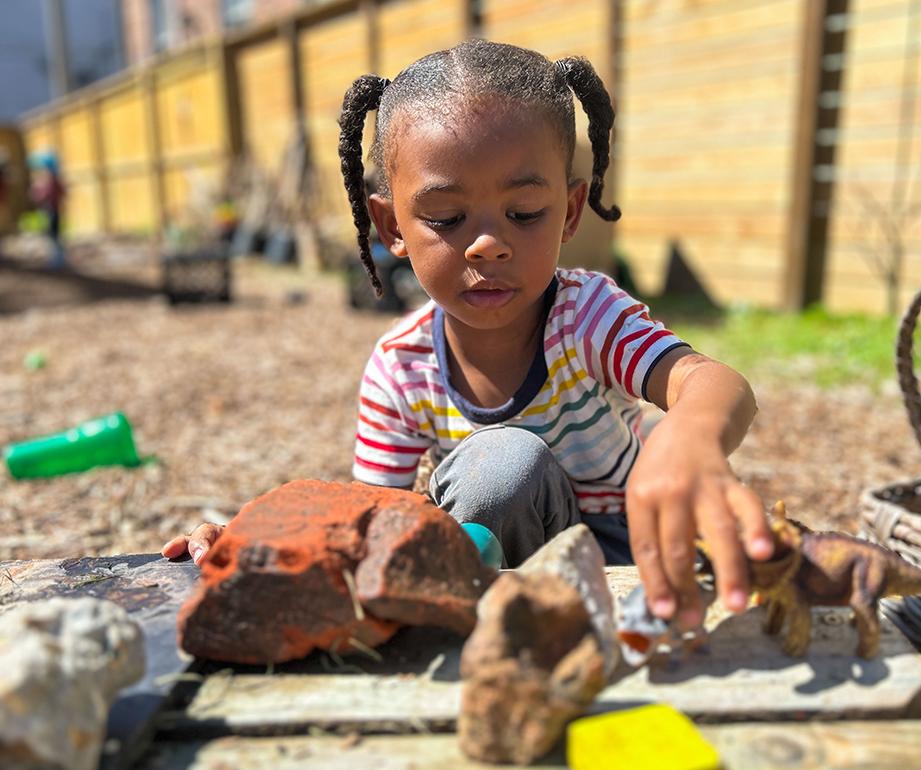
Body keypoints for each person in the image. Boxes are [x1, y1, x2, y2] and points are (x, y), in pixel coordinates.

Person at [163, 39, 773, 632]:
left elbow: (714, 384)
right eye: (448, 219)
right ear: (390, 226)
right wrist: (264, 537)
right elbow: (373, 516)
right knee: (502, 468)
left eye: (525, 213)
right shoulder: (400, 368)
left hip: (626, 548)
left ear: (567, 211)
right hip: (484, 567)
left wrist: (688, 438)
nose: (488, 243)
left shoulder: (587, 317)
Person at [30, 151, 66, 269]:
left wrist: (37, 193)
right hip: (52, 210)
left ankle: (57, 259)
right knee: (53, 234)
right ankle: (57, 258)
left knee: (53, 235)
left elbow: (43, 195)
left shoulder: (50, 180)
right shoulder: (53, 179)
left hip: (51, 210)